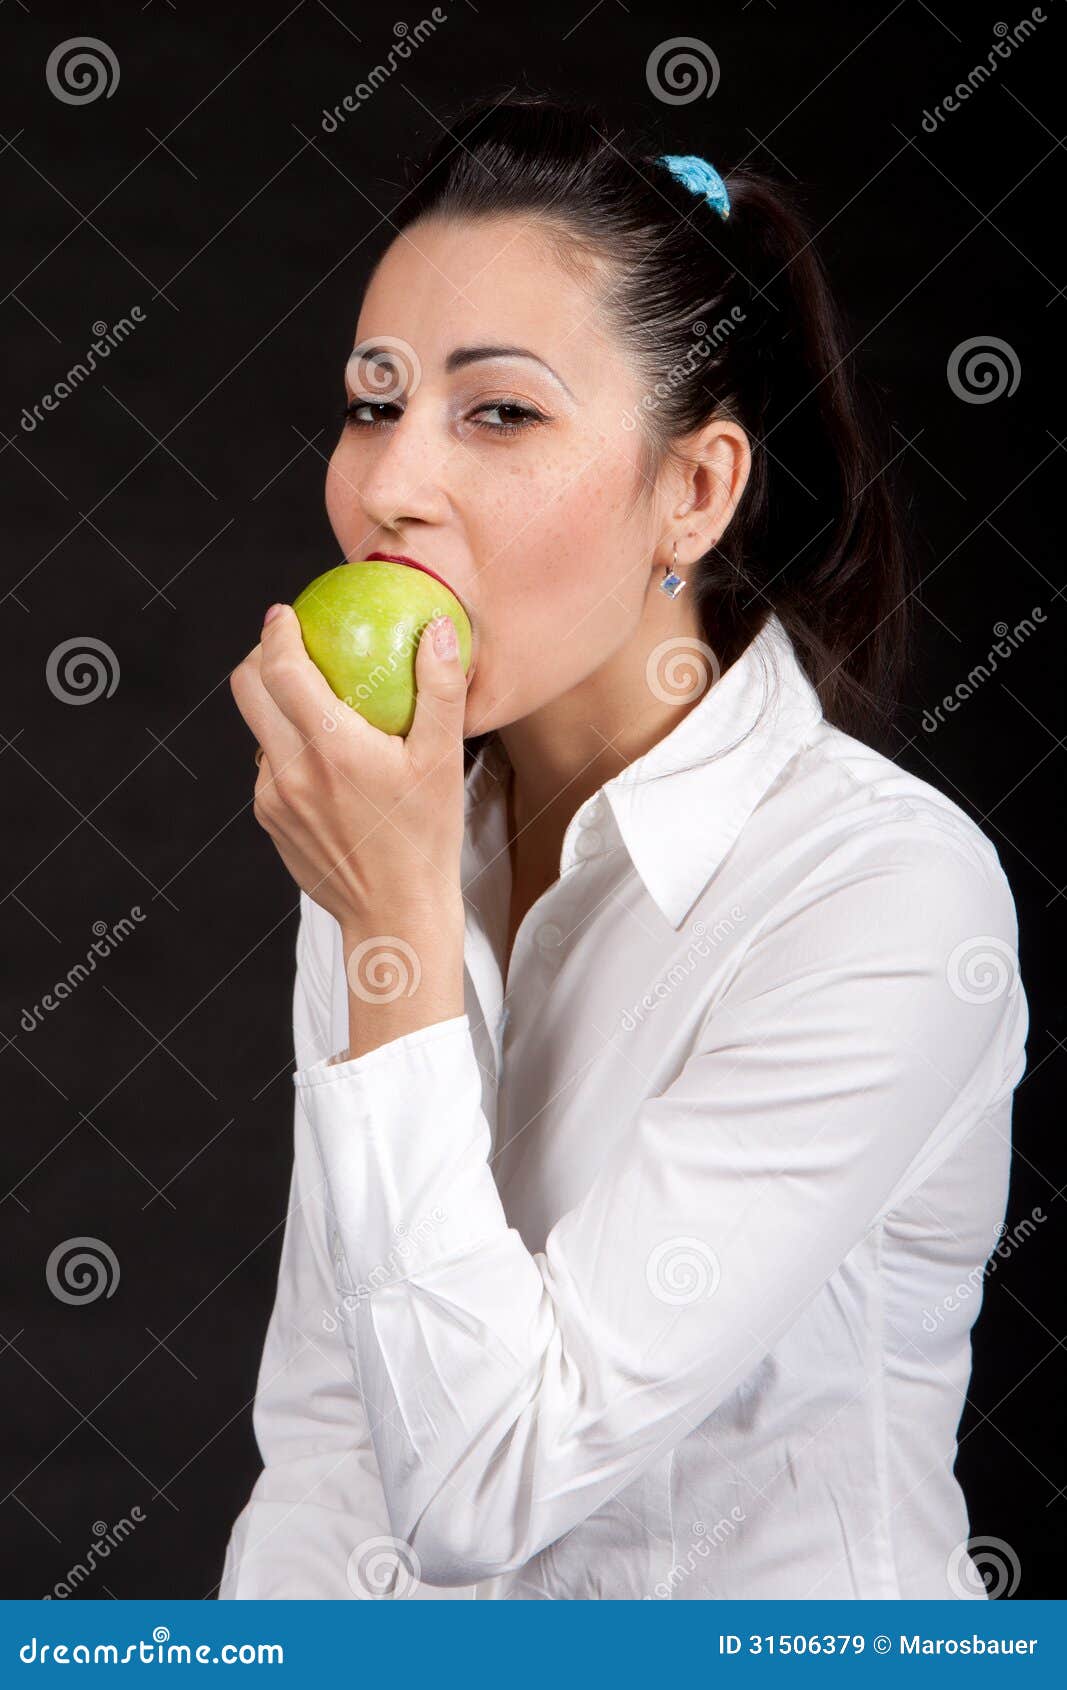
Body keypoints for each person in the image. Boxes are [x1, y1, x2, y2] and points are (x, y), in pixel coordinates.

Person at [221, 93, 1028, 1600]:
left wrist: (386, 908)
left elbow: (481, 1482)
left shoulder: (885, 895)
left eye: (500, 412)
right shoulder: (399, 837)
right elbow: (337, 1440)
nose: (390, 484)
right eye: (373, 400)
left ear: (696, 491)